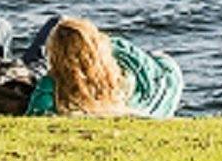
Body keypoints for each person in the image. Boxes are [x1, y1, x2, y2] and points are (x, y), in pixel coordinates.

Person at [26, 17, 185, 118]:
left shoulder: (52, 85)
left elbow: (36, 114)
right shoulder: (120, 73)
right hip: (158, 82)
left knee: (56, 20)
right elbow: (154, 71)